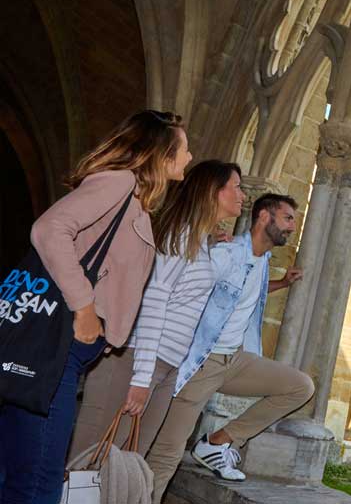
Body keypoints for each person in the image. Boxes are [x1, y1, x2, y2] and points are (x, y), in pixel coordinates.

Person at [0, 110, 191, 504]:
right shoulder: (119, 182)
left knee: (19, 473)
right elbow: (48, 229)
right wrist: (85, 308)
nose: (190, 157)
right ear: (161, 153)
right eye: (185, 149)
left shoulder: (135, 203)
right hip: (55, 351)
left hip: (59, 353)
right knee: (38, 483)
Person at [69, 160, 246, 460]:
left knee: (124, 467)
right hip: (136, 361)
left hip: (166, 366)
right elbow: (154, 300)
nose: (243, 195)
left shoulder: (198, 240)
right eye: (237, 187)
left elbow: (183, 293)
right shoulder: (180, 235)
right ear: (213, 191)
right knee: (88, 464)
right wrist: (141, 377)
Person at [145, 193, 315, 504]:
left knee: (300, 386)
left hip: (234, 360)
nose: (292, 226)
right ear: (264, 217)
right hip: (203, 362)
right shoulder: (226, 253)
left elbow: (247, 290)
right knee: (167, 453)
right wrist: (206, 247)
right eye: (288, 218)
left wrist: (281, 283)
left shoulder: (262, 258)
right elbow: (186, 284)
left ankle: (217, 443)